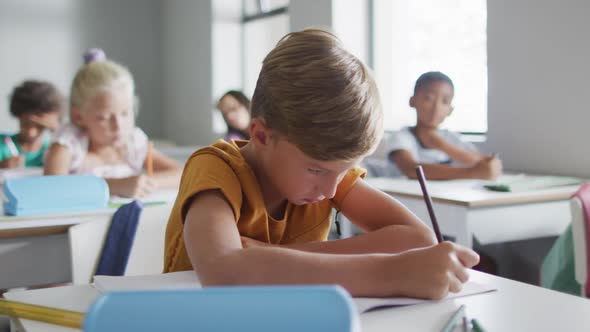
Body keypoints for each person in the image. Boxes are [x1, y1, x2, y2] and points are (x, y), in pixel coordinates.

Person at [164, 29, 479, 299]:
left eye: (342, 171)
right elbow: (224, 273)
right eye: (316, 169)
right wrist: (389, 273)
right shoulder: (216, 169)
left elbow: (418, 239)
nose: (330, 189)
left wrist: (276, 256)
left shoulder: (326, 172)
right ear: (261, 135)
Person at [44, 48, 182, 198]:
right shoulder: (68, 144)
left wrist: (145, 182)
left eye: (125, 114)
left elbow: (182, 174)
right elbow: (52, 189)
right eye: (104, 117)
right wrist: (114, 186)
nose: (118, 126)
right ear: (78, 116)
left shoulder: (133, 142)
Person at [383, 71, 502, 180]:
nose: (436, 108)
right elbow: (410, 169)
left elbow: (479, 161)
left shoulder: (450, 137)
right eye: (428, 98)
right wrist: (471, 173)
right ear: (412, 101)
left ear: (450, 110)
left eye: (445, 101)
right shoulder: (402, 137)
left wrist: (441, 144)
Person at [0, 80, 63, 168]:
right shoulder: (2, 143)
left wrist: (55, 129)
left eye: (40, 126)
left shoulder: (53, 151)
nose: (31, 132)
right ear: (19, 116)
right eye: (25, 124)